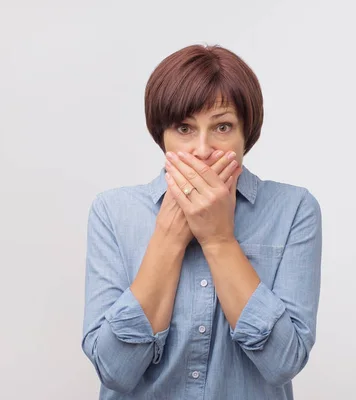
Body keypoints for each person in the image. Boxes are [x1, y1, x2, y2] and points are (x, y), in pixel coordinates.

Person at [81, 44, 322, 400]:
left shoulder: (294, 209)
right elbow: (114, 371)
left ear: (246, 134)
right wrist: (169, 238)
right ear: (161, 135)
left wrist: (219, 241)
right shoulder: (112, 211)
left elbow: (283, 362)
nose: (202, 149)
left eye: (222, 126)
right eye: (184, 128)